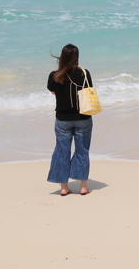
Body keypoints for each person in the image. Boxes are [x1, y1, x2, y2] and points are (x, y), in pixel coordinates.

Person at [46, 43, 93, 196]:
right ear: (77, 57)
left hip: (62, 119)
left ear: (62, 57)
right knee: (82, 150)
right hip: (83, 117)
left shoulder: (55, 75)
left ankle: (64, 187)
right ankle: (83, 187)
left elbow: (53, 92)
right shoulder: (84, 73)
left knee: (61, 151)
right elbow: (88, 91)